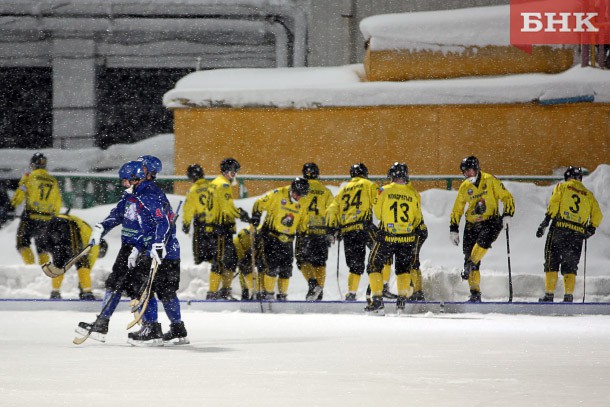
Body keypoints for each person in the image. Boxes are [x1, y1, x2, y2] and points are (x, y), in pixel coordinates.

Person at [75, 161, 148, 343]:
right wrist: (101, 227)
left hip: (142, 249)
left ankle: (150, 328)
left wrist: (139, 248)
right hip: (127, 248)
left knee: (139, 290)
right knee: (114, 284)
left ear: (136, 179)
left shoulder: (148, 197)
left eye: (126, 180)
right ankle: (102, 323)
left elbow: (152, 227)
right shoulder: (128, 196)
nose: (123, 184)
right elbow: (116, 215)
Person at [126, 155, 189, 346]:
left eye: (140, 168)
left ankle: (151, 329)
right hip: (170, 251)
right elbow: (148, 227)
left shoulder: (146, 193)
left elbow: (161, 222)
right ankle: (178, 330)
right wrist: (137, 247)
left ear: (146, 171)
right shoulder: (152, 192)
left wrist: (157, 244)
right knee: (167, 291)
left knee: (143, 289)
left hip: (158, 251)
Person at [450, 156, 515, 302]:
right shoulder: (465, 187)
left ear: (477, 169)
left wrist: (507, 214)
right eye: (465, 172)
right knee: (470, 258)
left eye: (470, 171)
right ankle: (475, 293)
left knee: (480, 247)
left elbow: (507, 197)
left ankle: (469, 265)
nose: (468, 174)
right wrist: (453, 228)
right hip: (471, 224)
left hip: (490, 222)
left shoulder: (490, 180)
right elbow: (457, 209)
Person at [364, 162, 424, 315]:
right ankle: (401, 304)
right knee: (403, 269)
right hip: (407, 238)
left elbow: (378, 214)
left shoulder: (383, 190)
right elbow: (417, 219)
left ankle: (377, 301)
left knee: (373, 265)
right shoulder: (414, 193)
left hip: (387, 237)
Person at [536, 166, 603, 302]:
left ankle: (549, 295)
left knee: (552, 261)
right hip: (577, 233)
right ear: (580, 179)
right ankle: (568, 296)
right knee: (570, 265)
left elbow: (554, 203)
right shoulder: (588, 194)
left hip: (559, 229)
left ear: (567, 176)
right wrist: (591, 229)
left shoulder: (562, 187)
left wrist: (546, 221)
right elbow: (598, 215)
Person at [251, 177, 310, 300]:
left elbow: (303, 222)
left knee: (286, 269)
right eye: (297, 193)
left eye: (301, 195)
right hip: (271, 236)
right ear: (292, 189)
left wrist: (304, 235)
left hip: (287, 240)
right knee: (271, 267)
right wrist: (256, 216)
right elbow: (259, 203)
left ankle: (282, 295)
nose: (298, 197)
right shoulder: (278, 194)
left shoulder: (303, 203)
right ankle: (268, 294)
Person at [326, 163, 378, 301]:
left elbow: (331, 209)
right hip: (364, 226)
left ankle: (351, 293)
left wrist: (333, 227)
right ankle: (381, 287)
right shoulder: (368, 184)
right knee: (382, 252)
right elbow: (380, 202)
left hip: (348, 230)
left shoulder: (343, 190)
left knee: (355, 265)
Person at [206, 158, 250, 300]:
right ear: (229, 171)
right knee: (219, 261)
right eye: (234, 172)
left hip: (216, 227)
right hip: (221, 228)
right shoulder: (224, 185)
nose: (235, 175)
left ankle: (225, 290)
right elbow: (227, 208)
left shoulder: (214, 183)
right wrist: (241, 214)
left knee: (229, 260)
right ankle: (213, 293)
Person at [10, 153, 62, 265]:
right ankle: (44, 269)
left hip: (31, 216)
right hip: (47, 219)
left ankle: (30, 267)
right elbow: (58, 202)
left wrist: (12, 204)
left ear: (33, 164)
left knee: (22, 243)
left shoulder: (29, 177)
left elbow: (20, 194)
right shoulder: (53, 181)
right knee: (42, 247)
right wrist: (54, 216)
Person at [295, 163, 334, 301]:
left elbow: (295, 207)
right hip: (321, 230)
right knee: (320, 263)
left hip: (305, 230)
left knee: (302, 260)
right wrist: (331, 228)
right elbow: (332, 210)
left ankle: (313, 284)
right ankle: (320, 291)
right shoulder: (325, 191)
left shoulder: (301, 188)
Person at [46, 213, 107, 300]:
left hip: (52, 223)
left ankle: (55, 292)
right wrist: (83, 287)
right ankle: (87, 292)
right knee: (82, 261)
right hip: (68, 225)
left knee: (59, 262)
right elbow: (86, 267)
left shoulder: (89, 233)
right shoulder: (96, 244)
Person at [182, 164, 215, 267]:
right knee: (214, 252)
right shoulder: (212, 187)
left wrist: (186, 224)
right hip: (214, 223)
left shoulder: (193, 191)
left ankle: (201, 270)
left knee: (199, 252)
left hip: (201, 225)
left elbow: (188, 209)